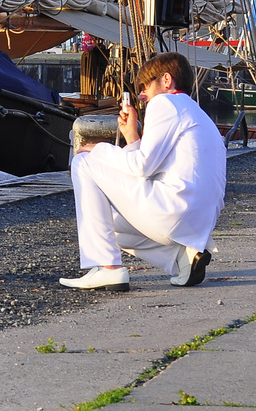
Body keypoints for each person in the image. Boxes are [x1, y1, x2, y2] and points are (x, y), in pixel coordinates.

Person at [60, 51, 225, 292]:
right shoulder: (195, 112)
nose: (142, 94)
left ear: (166, 80)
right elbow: (151, 167)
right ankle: (182, 257)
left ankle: (108, 269)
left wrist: (98, 149)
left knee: (84, 161)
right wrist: (131, 137)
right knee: (106, 223)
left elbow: (141, 167)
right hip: (195, 220)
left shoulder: (164, 103)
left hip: (174, 210)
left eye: (146, 85)